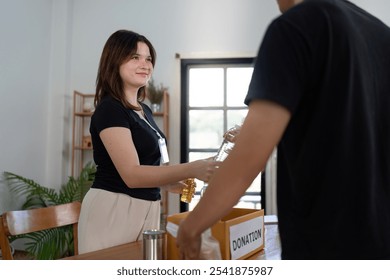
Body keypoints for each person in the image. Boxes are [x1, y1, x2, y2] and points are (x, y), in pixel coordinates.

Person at [177, 0, 390, 260]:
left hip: (326, 248)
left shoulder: (294, 27)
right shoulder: (381, 34)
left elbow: (248, 159)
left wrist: (191, 226)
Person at [78, 30, 219, 254]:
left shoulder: (143, 110)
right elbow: (132, 175)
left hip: (147, 209)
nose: (145, 64)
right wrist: (194, 167)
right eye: (135, 57)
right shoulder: (110, 109)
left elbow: (149, 169)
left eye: (149, 58)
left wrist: (175, 184)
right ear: (114, 60)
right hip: (114, 210)